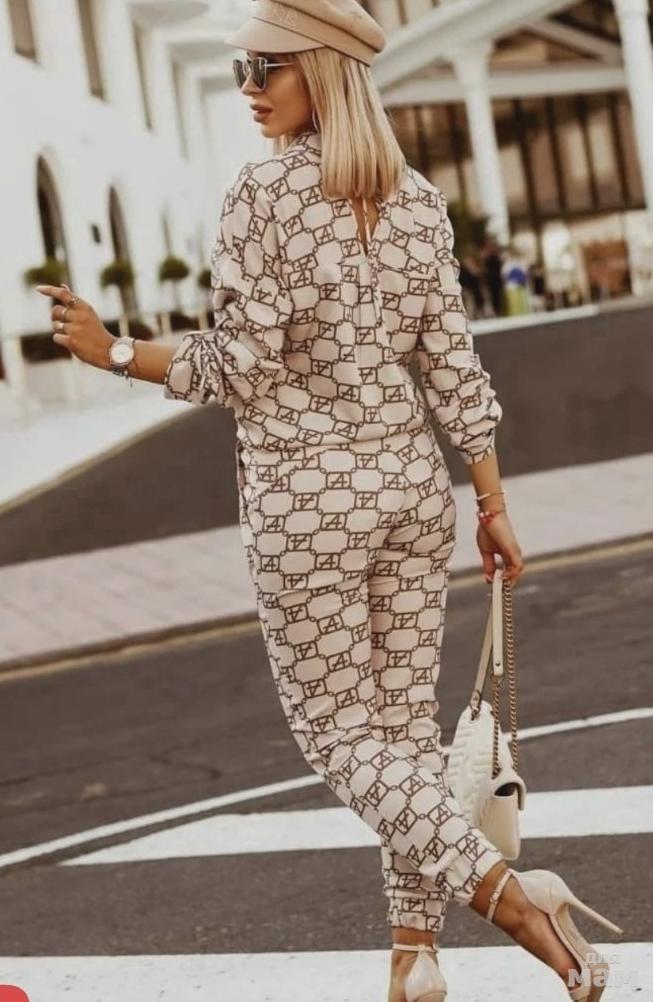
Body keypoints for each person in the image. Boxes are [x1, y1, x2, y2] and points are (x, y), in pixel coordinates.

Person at [35, 2, 622, 999]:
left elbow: (241, 364)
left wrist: (116, 352)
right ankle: (412, 959)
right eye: (241, 69)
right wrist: (490, 502)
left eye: (268, 67)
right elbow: (451, 366)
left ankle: (517, 901)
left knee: (340, 739)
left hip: (308, 503)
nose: (249, 88)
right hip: (410, 491)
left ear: (325, 68)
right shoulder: (417, 203)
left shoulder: (260, 194)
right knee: (401, 738)